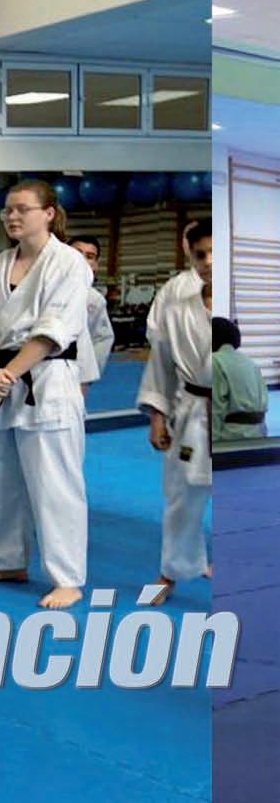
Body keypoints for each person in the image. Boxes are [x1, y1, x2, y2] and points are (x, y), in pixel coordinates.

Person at [0, 180, 88, 608]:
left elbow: (52, 331)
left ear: (48, 213)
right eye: (7, 210)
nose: (12, 217)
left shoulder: (69, 263)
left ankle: (67, 578)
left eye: (22, 209)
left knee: (55, 484)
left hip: (46, 379)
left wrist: (5, 377)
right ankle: (8, 561)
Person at [138, 219, 211, 604]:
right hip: (192, 412)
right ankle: (170, 571)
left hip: (239, 416)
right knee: (182, 496)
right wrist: (157, 417)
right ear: (191, 258)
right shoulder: (177, 308)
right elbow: (161, 366)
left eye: (215, 253)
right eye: (201, 254)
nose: (209, 261)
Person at [211, 316, 267, 443]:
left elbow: (216, 409)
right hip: (259, 434)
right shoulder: (250, 363)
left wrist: (214, 445)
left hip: (231, 436)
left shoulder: (215, 361)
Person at [69, 234, 114, 382]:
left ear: (95, 265)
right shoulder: (43, 287)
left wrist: (86, 379)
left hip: (74, 372)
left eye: (89, 256)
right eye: (76, 252)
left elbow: (101, 339)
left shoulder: (95, 300)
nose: (81, 259)